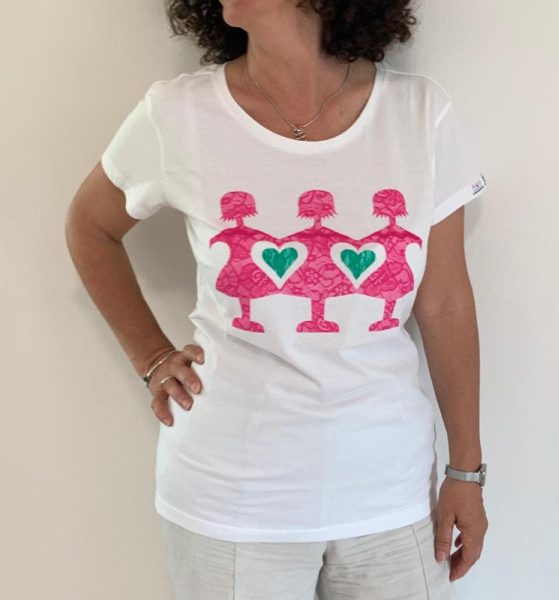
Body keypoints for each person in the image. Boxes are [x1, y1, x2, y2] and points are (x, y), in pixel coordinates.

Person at [64, 0, 490, 598]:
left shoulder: (419, 114)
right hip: (228, 501)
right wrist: (152, 356)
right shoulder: (179, 113)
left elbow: (445, 304)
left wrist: (466, 471)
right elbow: (89, 226)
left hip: (390, 496)